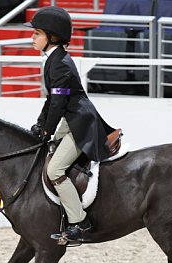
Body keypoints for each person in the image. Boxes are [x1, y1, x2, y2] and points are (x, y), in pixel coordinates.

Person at [26, 6, 116, 242]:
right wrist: (39, 124)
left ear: (52, 37)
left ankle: (80, 222)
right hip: (70, 119)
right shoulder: (53, 59)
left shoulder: (60, 63)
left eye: (37, 34)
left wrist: (47, 130)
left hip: (80, 124)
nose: (32, 38)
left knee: (54, 170)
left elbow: (58, 103)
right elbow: (51, 100)